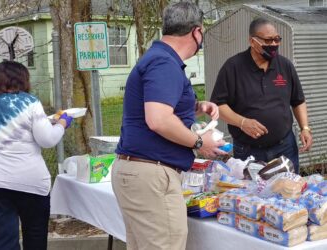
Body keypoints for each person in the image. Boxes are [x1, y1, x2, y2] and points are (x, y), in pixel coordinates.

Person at [112, 2, 225, 250]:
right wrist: (199, 142)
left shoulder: (158, 59)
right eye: (202, 33)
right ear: (196, 32)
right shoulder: (164, 63)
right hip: (151, 173)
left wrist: (196, 106)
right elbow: (159, 119)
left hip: (139, 170)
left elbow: (159, 103)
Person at [0, 61, 73, 250]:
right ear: (23, 80)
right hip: (30, 180)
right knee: (35, 235)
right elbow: (47, 140)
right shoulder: (30, 101)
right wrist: (62, 124)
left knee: (2, 240)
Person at [210, 17, 313, 173]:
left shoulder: (285, 65)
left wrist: (305, 128)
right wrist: (242, 122)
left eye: (277, 39)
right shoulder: (233, 67)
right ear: (253, 41)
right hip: (248, 151)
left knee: (290, 192)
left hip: (285, 147)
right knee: (251, 195)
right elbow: (218, 105)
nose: (273, 45)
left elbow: (298, 100)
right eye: (268, 40)